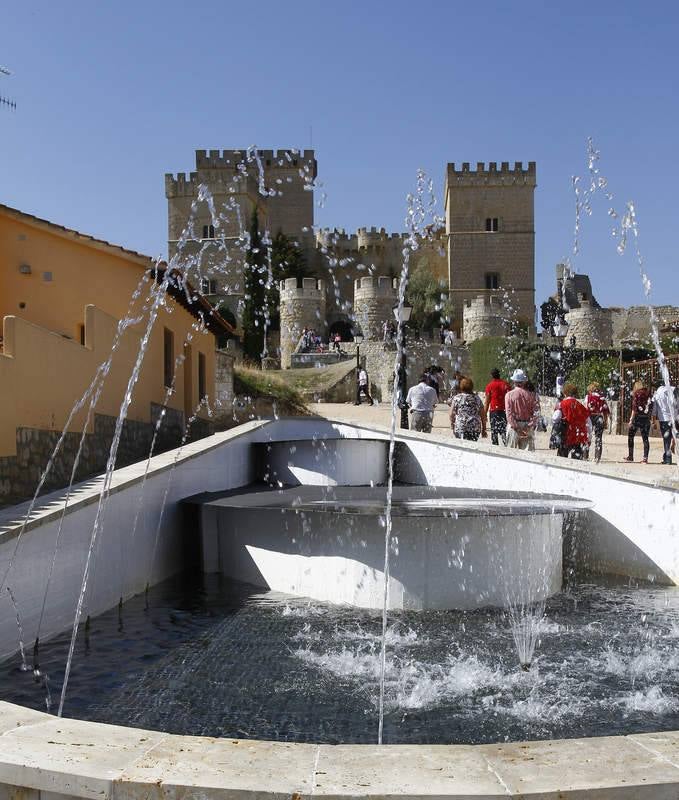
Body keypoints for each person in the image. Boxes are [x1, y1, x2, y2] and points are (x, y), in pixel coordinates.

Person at [555, 383, 591, 459]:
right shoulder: (580, 405)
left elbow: (555, 418)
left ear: (565, 392)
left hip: (566, 436)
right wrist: (589, 438)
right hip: (578, 438)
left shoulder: (562, 404)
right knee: (577, 462)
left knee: (561, 461)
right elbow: (588, 423)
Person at [505, 368, 537, 450]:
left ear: (514, 381)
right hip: (527, 426)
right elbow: (536, 413)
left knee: (510, 453)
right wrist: (528, 426)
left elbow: (509, 414)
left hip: (513, 427)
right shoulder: (532, 395)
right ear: (524, 382)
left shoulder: (509, 395)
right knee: (528, 457)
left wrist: (516, 427)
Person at [652, 378, 677, 465]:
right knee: (673, 435)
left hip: (664, 419)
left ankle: (668, 459)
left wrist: (654, 421)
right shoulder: (671, 389)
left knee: (666, 439)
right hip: (674, 417)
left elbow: (654, 409)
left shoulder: (656, 394)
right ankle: (668, 453)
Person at [625, 380, 652, 463]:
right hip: (646, 418)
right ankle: (645, 458)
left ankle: (630, 456)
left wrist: (630, 420)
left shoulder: (636, 394)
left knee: (630, 436)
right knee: (645, 438)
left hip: (637, 418)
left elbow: (634, 408)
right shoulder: (648, 394)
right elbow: (650, 406)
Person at [585, 381, 610, 463]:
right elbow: (605, 410)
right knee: (598, 438)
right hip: (599, 417)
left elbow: (585, 409)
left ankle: (585, 455)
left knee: (587, 436)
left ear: (590, 390)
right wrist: (605, 421)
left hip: (590, 417)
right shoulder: (602, 398)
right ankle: (597, 457)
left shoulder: (588, 397)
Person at [484, 368, 510, 446]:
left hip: (493, 411)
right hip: (504, 411)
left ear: (491, 375)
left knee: (494, 431)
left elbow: (487, 401)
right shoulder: (506, 384)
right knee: (503, 431)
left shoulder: (489, 386)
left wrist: (484, 413)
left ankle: (495, 447)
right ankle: (507, 445)